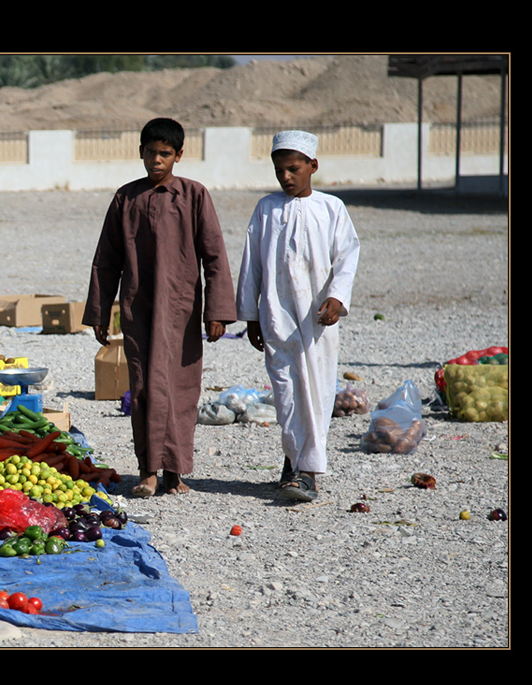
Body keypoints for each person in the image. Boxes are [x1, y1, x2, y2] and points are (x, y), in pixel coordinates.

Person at [82, 117, 237, 497]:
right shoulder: (126, 198)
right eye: (150, 152)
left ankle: (176, 472)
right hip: (140, 309)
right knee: (144, 386)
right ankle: (147, 470)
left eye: (165, 154)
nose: (157, 160)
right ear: (140, 153)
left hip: (182, 311)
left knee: (182, 389)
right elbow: (106, 259)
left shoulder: (194, 195)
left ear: (179, 155)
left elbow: (214, 255)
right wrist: (100, 313)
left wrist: (217, 311)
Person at [236, 130, 360, 502]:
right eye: (279, 171)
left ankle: (306, 470)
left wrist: (338, 298)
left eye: (293, 169)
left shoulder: (331, 208)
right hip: (277, 315)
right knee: (287, 391)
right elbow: (251, 264)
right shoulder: (266, 209)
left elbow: (347, 257)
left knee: (318, 390)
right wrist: (251, 316)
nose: (286, 177)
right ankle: (296, 463)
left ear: (313, 166)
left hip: (318, 319)